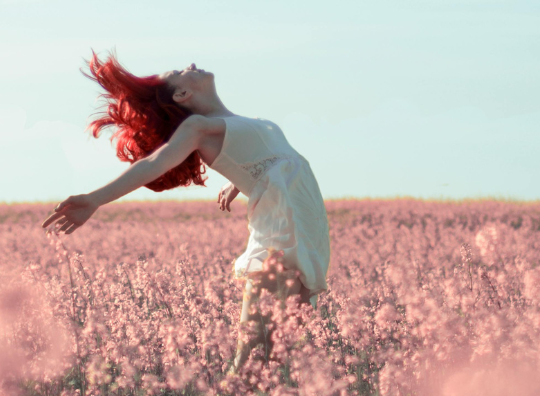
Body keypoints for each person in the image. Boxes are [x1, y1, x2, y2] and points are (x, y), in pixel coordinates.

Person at [41, 51, 332, 372]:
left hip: (309, 231)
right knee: (253, 361)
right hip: (283, 233)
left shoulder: (238, 123)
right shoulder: (199, 127)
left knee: (279, 359)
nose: (189, 65)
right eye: (180, 71)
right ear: (182, 94)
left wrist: (241, 183)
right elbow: (156, 161)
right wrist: (96, 198)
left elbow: (272, 163)